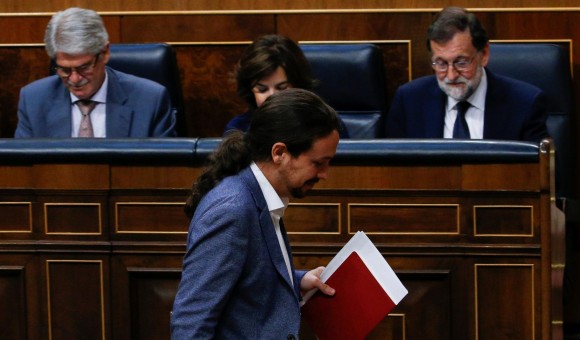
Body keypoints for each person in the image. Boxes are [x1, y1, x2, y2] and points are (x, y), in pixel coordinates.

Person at [171, 88, 339, 339]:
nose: (325, 174)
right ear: (280, 153)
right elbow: (191, 321)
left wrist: (297, 280)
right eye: (318, 163)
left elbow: (246, 280)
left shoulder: (261, 196)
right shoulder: (232, 211)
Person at [384, 6, 548, 142]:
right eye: (441, 63)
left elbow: (544, 175)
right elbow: (393, 173)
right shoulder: (409, 101)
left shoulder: (524, 104)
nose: (451, 75)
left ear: (483, 54)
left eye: (461, 62)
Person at [14, 7, 176, 138]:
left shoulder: (150, 99)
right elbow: (25, 172)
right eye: (65, 70)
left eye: (84, 68)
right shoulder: (33, 100)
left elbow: (163, 172)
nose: (75, 79)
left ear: (104, 53)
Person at [224, 34, 349, 137]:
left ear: (298, 85)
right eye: (262, 89)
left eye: (282, 88)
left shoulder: (327, 126)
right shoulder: (237, 129)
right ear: (250, 90)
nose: (272, 97)